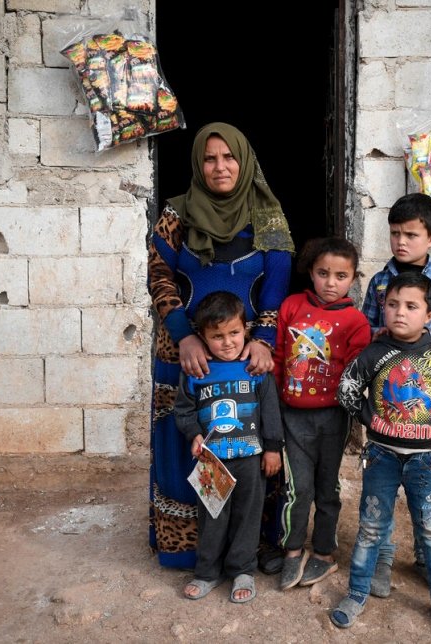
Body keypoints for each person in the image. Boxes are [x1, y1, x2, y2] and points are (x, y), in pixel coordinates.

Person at [147, 122, 294, 572]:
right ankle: (188, 550)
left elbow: (278, 282)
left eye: (229, 157)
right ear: (198, 163)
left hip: (243, 351)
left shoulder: (267, 213)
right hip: (183, 353)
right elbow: (158, 276)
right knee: (186, 444)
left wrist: (264, 340)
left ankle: (246, 550)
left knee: (248, 447)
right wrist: (184, 334)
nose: (220, 166)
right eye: (210, 158)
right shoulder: (175, 213)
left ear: (244, 161)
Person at [331, 271, 431, 634]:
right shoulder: (374, 353)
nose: (400, 312)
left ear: (430, 315)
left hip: (425, 460)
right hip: (382, 458)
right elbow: (347, 389)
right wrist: (372, 420)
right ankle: (357, 593)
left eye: (411, 306)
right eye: (392, 305)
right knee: (371, 527)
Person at [361, 192, 431, 596]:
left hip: (427, 407)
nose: (401, 242)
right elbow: (364, 330)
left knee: (429, 483)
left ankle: (427, 556)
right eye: (394, 233)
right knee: (381, 484)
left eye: (411, 234)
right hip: (387, 402)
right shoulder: (379, 283)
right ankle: (382, 557)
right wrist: (379, 335)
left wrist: (427, 337)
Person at [273, 238, 372, 590]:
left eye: (341, 275)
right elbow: (278, 359)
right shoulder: (291, 306)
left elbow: (359, 372)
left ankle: (325, 552)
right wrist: (275, 405)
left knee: (327, 489)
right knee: (296, 489)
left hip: (333, 418)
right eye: (323, 273)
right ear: (311, 273)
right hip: (292, 416)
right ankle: (292, 550)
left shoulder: (355, 321)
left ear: (352, 278)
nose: (331, 282)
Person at [174, 291, 284, 602]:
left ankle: (242, 570)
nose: (227, 342)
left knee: (248, 517)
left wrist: (273, 448)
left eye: (234, 333)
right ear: (203, 337)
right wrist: (193, 433)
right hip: (212, 462)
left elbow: (270, 411)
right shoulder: (197, 371)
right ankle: (207, 571)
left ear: (245, 329)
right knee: (212, 517)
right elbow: (183, 410)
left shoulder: (254, 368)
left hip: (250, 458)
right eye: (217, 336)